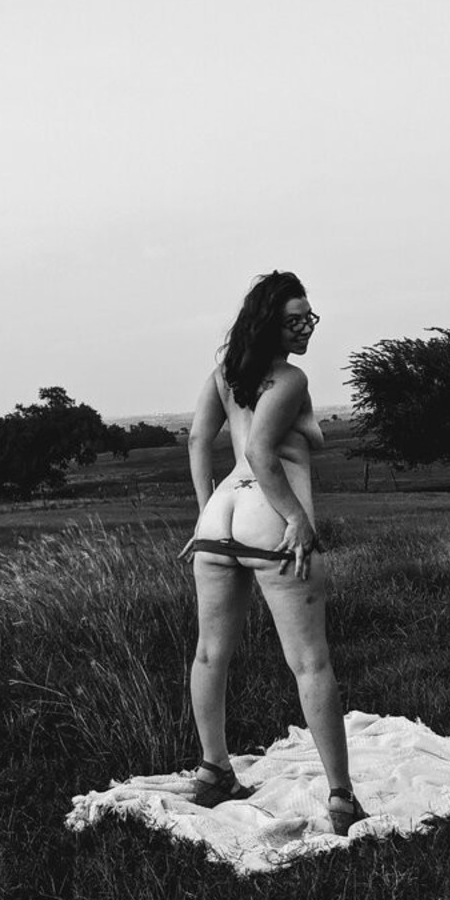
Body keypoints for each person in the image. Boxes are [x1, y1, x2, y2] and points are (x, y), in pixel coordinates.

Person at [178, 270, 365, 836]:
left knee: (210, 653)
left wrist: (205, 514)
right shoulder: (289, 378)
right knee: (311, 661)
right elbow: (261, 451)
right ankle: (341, 798)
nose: (306, 328)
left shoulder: (225, 374)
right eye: (294, 321)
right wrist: (297, 519)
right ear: (268, 324)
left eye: (309, 318)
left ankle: (214, 771)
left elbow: (198, 441)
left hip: (219, 520)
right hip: (268, 517)